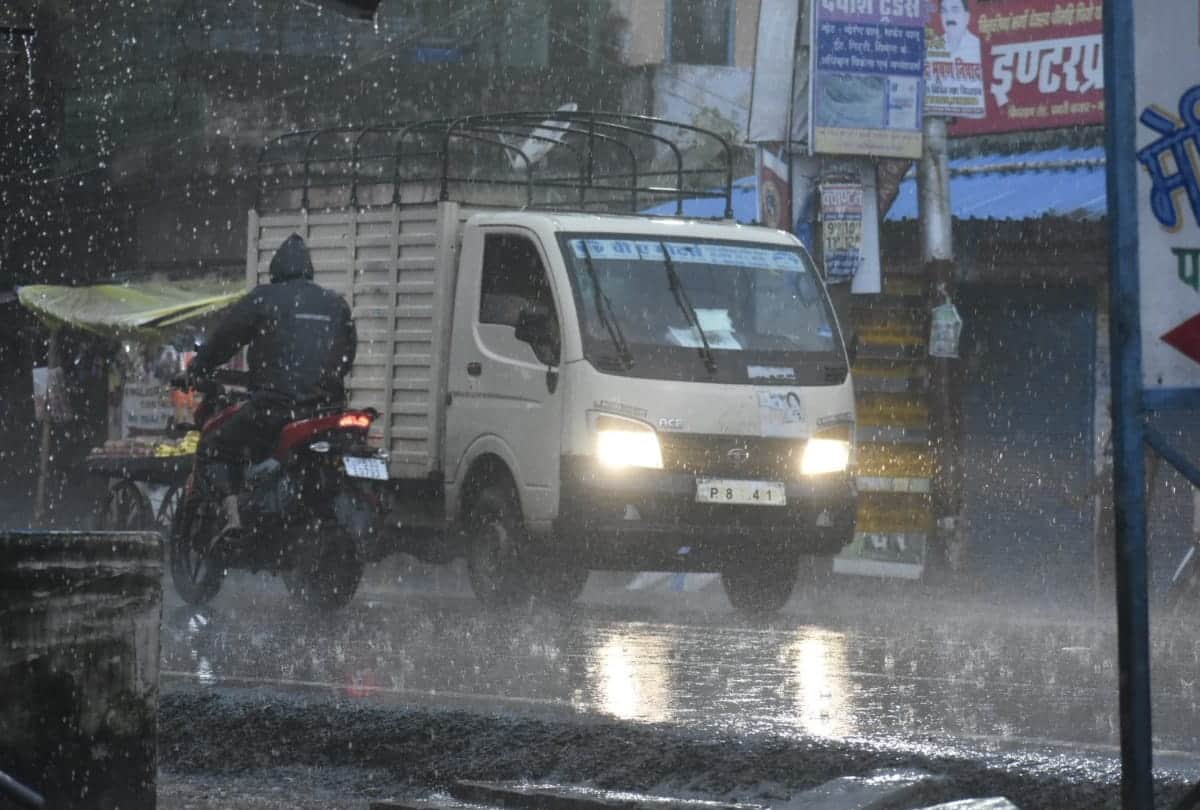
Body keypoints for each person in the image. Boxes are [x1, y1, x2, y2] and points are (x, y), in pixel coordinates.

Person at [185, 233, 357, 534]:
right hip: (325, 409)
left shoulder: (265, 298)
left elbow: (226, 338)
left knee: (214, 444)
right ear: (308, 269)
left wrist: (199, 367)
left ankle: (232, 515)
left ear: (277, 270)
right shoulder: (335, 304)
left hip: (276, 407)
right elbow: (347, 355)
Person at [939, 0, 980, 66]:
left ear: (967, 17)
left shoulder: (978, 47)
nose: (949, 17)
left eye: (955, 10)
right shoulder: (932, 47)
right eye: (944, 11)